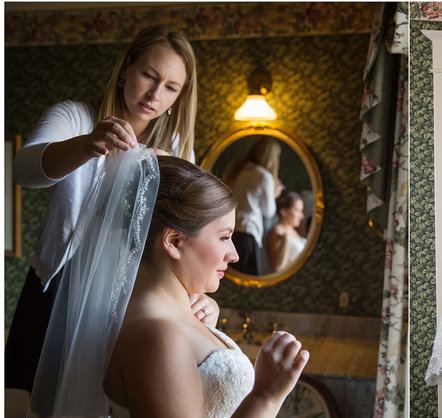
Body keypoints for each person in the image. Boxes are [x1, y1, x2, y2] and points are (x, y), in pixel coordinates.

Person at [6, 150, 308, 418]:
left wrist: (205, 323)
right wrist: (267, 396)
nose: (234, 254)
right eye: (224, 237)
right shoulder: (156, 336)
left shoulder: (166, 315)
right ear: (175, 241)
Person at [5, 25, 214, 396]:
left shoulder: (177, 148)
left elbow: (183, 235)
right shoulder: (75, 118)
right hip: (55, 294)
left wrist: (195, 296)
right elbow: (22, 170)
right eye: (149, 75)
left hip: (125, 303)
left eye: (171, 87)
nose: (155, 94)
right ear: (125, 68)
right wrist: (87, 144)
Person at [223, 136, 283, 275]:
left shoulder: (235, 169)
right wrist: (275, 194)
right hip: (248, 232)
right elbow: (269, 211)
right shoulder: (263, 176)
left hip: (228, 230)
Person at [266, 191, 307, 273]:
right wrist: (285, 240)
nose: (302, 216)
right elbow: (277, 266)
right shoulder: (277, 231)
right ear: (284, 212)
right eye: (297, 210)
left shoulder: (296, 231)